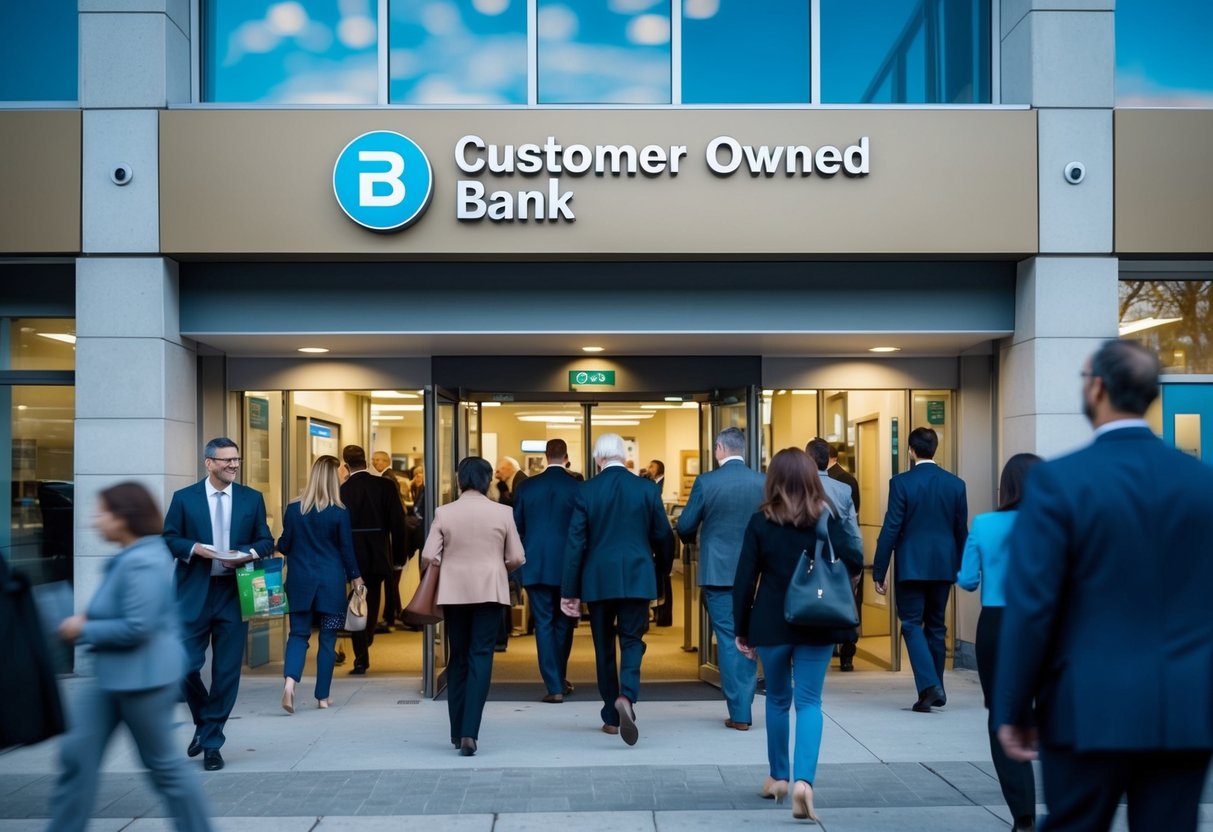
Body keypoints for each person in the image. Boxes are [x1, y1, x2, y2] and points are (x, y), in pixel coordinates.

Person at [995, 339, 1213, 832]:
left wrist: (1012, 707)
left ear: (1097, 388)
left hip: (1087, 705)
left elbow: (1033, 607)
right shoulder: (1202, 484)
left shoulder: (1060, 482)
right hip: (1185, 709)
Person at [50, 482, 214, 832]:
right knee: (77, 759)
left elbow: (137, 628)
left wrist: (82, 629)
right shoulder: (129, 557)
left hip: (144, 680)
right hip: (109, 676)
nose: (95, 521)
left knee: (164, 768)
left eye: (102, 513)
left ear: (124, 517)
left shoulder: (145, 560)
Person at [733, 448, 862, 822]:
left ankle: (778, 777)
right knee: (809, 702)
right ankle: (804, 782)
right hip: (817, 621)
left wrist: (742, 628)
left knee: (776, 700)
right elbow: (853, 558)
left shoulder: (761, 521)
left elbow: (744, 580)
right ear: (812, 476)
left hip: (772, 624)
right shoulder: (827, 516)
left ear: (772, 479)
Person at [164, 437, 274, 771]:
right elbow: (169, 538)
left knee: (226, 672)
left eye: (236, 459)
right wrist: (196, 548)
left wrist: (247, 554)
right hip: (193, 592)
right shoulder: (184, 499)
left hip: (233, 592)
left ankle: (212, 742)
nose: (233, 465)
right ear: (208, 463)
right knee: (183, 665)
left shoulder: (251, 499)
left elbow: (265, 541)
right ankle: (206, 722)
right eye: (226, 460)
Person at [561, 433, 674, 746]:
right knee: (633, 638)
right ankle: (628, 694)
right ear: (624, 457)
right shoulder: (646, 488)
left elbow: (575, 544)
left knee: (603, 646)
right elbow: (663, 535)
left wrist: (569, 590)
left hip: (598, 580)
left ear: (598, 458)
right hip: (637, 576)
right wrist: (661, 569)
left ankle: (611, 717)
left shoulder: (586, 491)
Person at [957, 453, 1041, 832]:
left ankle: (1023, 814)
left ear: (1005, 487)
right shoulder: (1054, 523)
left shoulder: (986, 524)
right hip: (1044, 623)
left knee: (1003, 716)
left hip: (997, 623)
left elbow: (968, 579)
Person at [420, 456, 525, 757]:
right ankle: (470, 732)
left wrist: (448, 563)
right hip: (490, 591)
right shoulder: (503, 512)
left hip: (454, 594)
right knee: (481, 656)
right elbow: (517, 557)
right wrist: (496, 565)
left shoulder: (444, 512)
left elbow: (429, 555)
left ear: (459, 479)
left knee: (459, 658)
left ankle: (455, 732)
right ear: (487, 480)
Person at [872, 427, 968, 712]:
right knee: (937, 627)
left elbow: (891, 528)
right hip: (943, 566)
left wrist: (879, 570)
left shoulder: (901, 482)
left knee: (912, 624)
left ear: (911, 451)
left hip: (911, 567)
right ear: (934, 449)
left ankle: (929, 687)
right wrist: (961, 567)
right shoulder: (956, 484)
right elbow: (960, 530)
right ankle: (933, 689)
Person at [676, 427, 765, 730]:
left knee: (728, 639)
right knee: (750, 637)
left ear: (719, 448)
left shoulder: (707, 481)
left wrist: (693, 534)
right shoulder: (762, 482)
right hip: (756, 574)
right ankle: (745, 704)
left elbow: (686, 524)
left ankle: (740, 711)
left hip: (719, 572)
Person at [277, 455, 365, 713]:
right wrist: (356, 577)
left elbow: (285, 544)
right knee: (328, 638)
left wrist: (276, 544)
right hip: (331, 585)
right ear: (331, 478)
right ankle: (323, 697)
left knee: (298, 635)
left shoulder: (294, 510)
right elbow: (347, 550)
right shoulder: (340, 512)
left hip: (299, 583)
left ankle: (290, 686)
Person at [512, 438, 581, 703]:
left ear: (545, 455)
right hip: (568, 566)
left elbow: (516, 527)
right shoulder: (577, 487)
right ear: (566, 456)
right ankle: (560, 678)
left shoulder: (527, 487)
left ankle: (554, 685)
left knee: (543, 623)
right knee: (564, 623)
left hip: (536, 564)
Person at [340, 444, 409, 673]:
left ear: (346, 464)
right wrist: (399, 556)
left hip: (351, 555)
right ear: (366, 462)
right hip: (379, 553)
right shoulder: (385, 486)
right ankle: (366, 638)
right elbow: (398, 524)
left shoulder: (342, 489)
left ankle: (361, 654)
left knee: (356, 601)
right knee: (372, 599)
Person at [806, 438, 865, 672]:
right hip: (838, 559)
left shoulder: (797, 488)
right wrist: (858, 562)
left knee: (809, 607)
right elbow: (853, 530)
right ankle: (845, 653)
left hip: (808, 559)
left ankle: (809, 656)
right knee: (842, 603)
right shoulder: (844, 488)